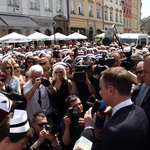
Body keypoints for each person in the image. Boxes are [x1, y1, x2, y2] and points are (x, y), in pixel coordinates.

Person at [80, 67, 149, 150]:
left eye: (101, 88)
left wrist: (88, 128)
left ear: (111, 90)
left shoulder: (111, 130)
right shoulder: (140, 111)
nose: (99, 92)